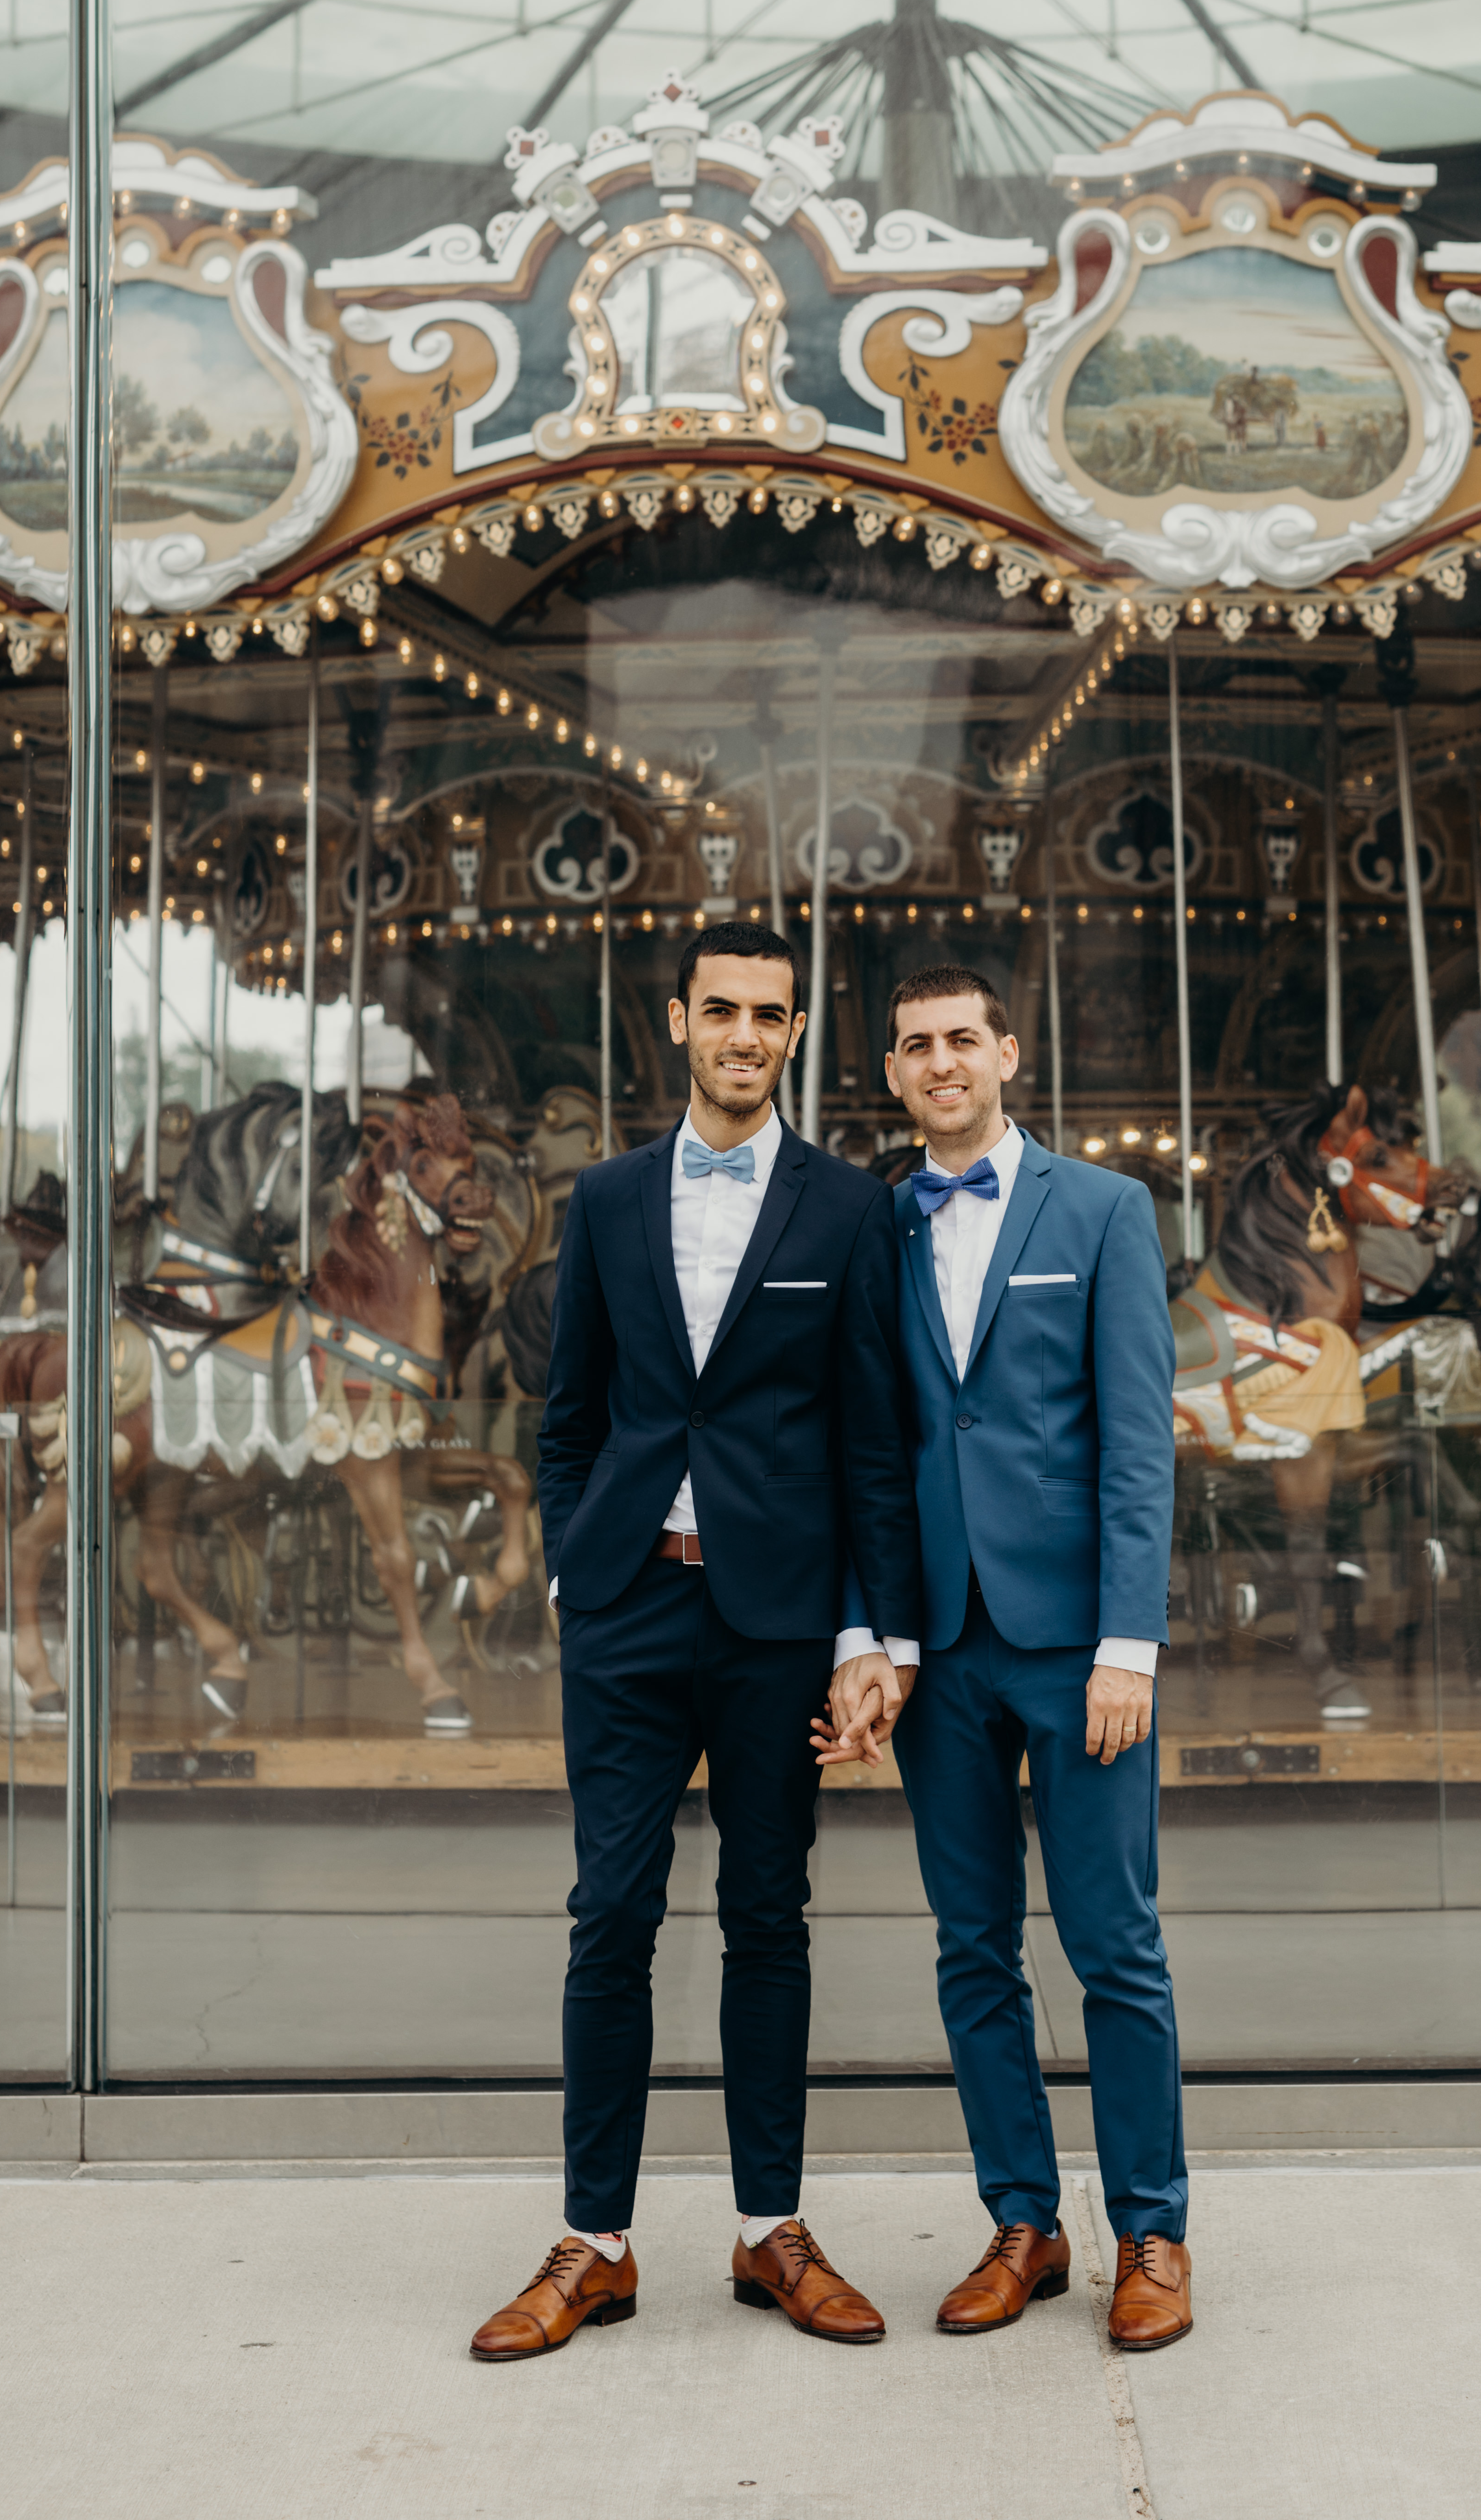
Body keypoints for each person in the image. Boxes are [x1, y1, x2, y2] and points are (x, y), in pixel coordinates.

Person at [470, 921, 922, 2363]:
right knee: (610, 1916)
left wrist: (871, 1634)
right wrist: (572, 1582)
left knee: (767, 1918)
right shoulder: (603, 1201)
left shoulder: (851, 1210)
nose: (743, 1035)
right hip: (627, 1610)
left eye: (769, 1015)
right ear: (678, 1021)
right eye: (719, 1010)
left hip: (780, 1621)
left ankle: (768, 2228)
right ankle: (594, 2244)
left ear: (796, 1033)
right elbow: (570, 1420)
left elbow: (873, 1448)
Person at [826, 964, 1191, 2351]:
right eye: (914, 1045)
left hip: (1076, 1651)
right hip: (937, 1650)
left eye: (961, 1040)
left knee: (1115, 1946)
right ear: (896, 1072)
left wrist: (1130, 1644)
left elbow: (1137, 1442)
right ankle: (1024, 2224)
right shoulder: (875, 1222)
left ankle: (1152, 2231)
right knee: (972, 1949)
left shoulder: (1101, 1209)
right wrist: (873, 1631)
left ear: (1007, 1055)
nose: (940, 1063)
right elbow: (861, 1450)